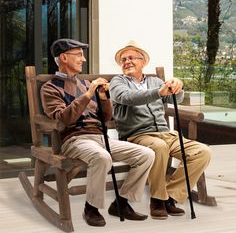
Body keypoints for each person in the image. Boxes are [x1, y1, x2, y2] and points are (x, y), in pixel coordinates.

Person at [40, 39, 155, 227]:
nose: (83, 59)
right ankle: (91, 208)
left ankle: (121, 203)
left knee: (146, 154)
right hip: (75, 139)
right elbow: (63, 119)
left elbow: (106, 117)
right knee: (102, 158)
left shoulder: (85, 83)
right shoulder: (50, 88)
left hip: (101, 137)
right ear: (64, 57)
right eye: (79, 55)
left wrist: (103, 98)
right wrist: (88, 95)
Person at [109, 41, 212, 220]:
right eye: (123, 59)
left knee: (202, 151)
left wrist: (177, 86)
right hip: (137, 135)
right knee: (158, 147)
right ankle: (157, 199)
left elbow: (175, 99)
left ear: (143, 62)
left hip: (167, 134)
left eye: (132, 57)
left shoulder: (154, 80)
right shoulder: (118, 82)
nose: (127, 62)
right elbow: (126, 97)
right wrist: (159, 91)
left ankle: (170, 197)